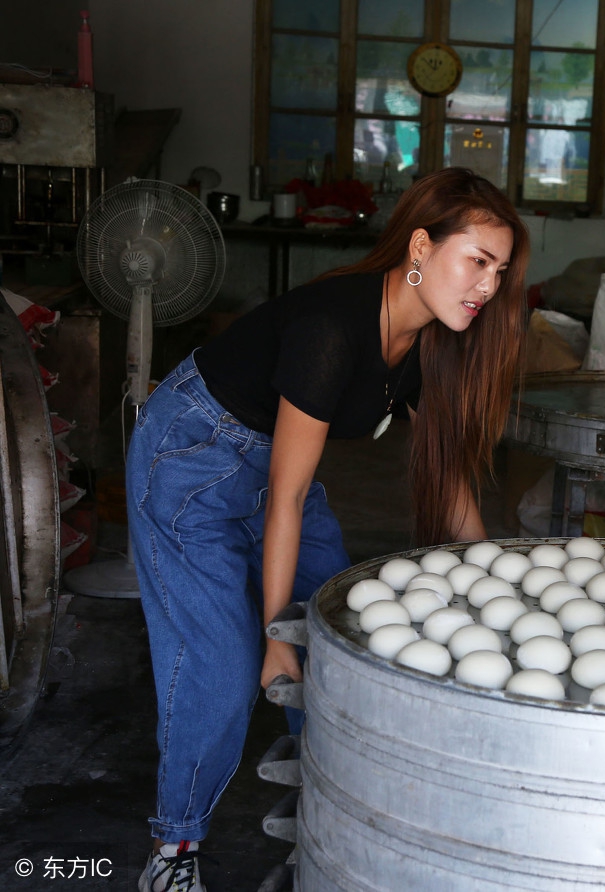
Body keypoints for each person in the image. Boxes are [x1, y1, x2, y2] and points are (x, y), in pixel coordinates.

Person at [126, 167, 528, 892]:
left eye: (499, 271)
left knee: (343, 640)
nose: (487, 286)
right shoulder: (331, 331)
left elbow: (448, 478)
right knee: (223, 665)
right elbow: (282, 501)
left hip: (282, 470)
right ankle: (171, 853)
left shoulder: (427, 340)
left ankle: (334, 820)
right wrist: (278, 636)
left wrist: (503, 576)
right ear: (419, 247)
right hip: (194, 456)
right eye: (476, 260)